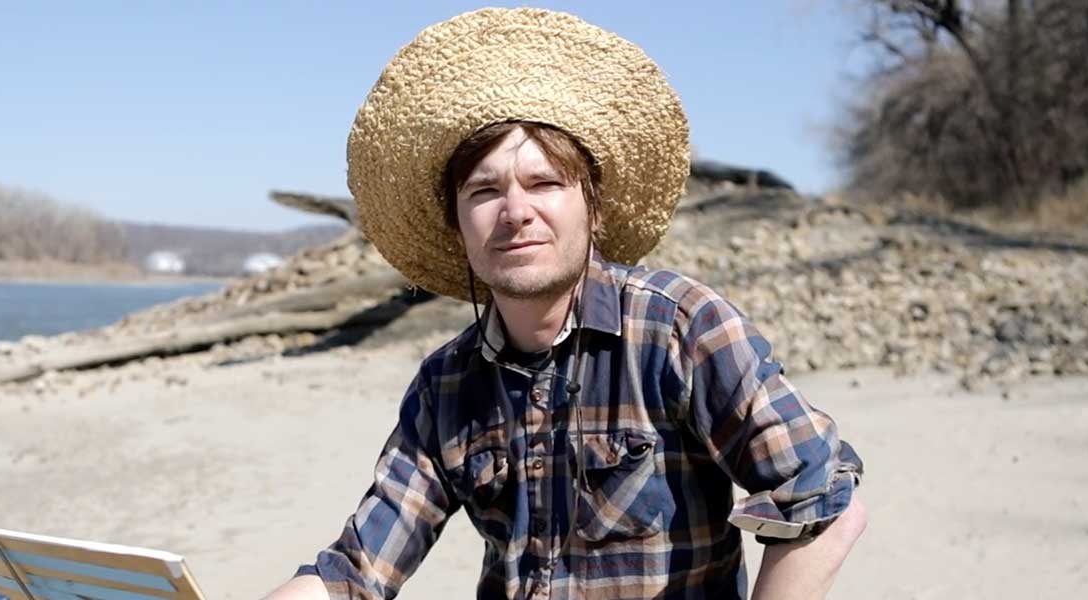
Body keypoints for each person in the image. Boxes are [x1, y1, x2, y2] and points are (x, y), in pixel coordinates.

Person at [265, 8, 866, 599]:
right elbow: (356, 572)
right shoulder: (447, 386)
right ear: (457, 225)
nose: (516, 211)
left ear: (593, 208)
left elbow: (823, 499)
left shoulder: (679, 330)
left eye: (545, 182)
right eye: (484, 191)